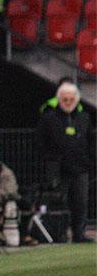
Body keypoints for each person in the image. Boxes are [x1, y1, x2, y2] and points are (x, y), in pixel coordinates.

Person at [36, 82, 95, 243]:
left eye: (71, 99)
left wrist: (89, 162)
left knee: (80, 203)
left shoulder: (84, 118)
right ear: (59, 99)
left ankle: (79, 234)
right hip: (58, 168)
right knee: (57, 202)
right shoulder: (49, 118)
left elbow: (91, 141)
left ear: (76, 100)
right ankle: (58, 234)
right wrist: (50, 159)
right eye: (64, 99)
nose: (68, 102)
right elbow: (40, 142)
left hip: (80, 168)